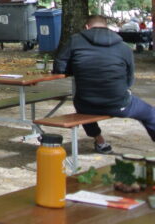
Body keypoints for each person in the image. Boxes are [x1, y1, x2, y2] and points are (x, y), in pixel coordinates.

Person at [53, 14, 155, 153]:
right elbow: (130, 79)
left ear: (87, 27)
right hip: (118, 104)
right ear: (107, 27)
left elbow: (59, 67)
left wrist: (76, 69)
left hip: (87, 105)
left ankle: (100, 141)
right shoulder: (123, 47)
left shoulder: (75, 41)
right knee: (150, 113)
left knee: (80, 103)